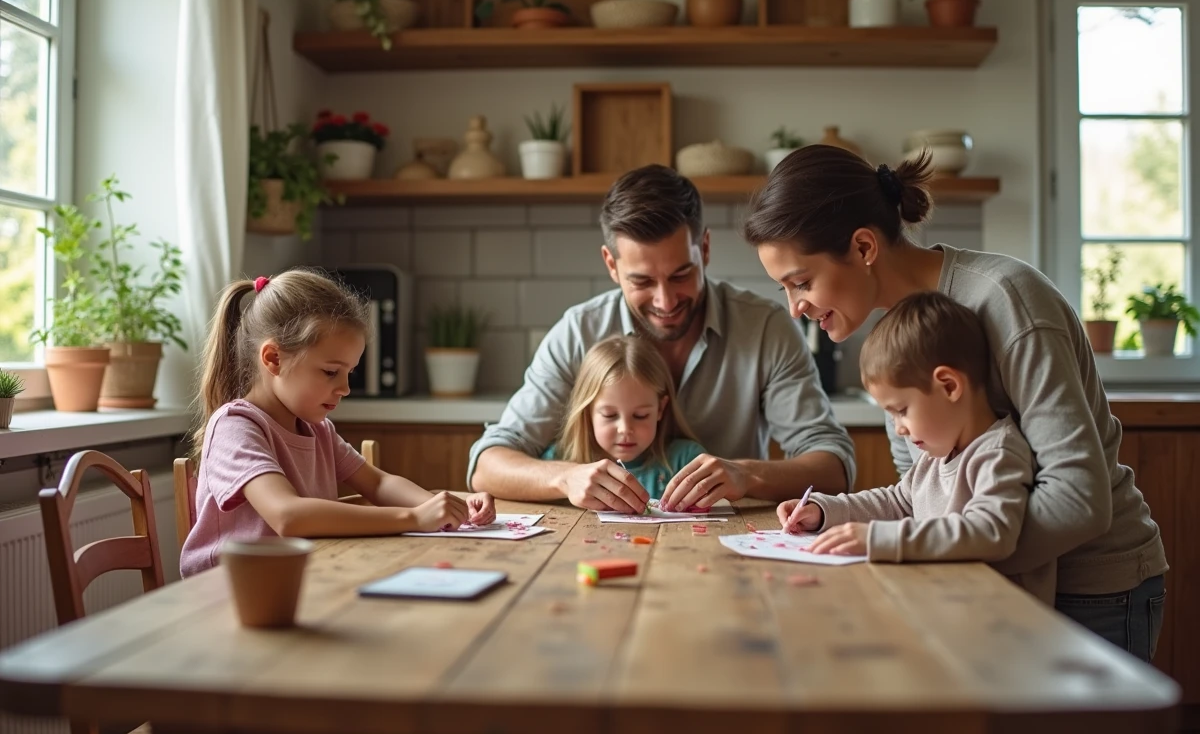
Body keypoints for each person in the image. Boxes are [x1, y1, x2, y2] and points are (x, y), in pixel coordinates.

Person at [742, 144, 1167, 660]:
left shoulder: (1007, 300)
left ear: (863, 247)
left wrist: (946, 556)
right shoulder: (901, 339)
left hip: (1093, 589)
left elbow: (1078, 502)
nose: (795, 308)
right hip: (999, 584)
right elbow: (919, 495)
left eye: (801, 283)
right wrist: (833, 517)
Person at [468, 164, 855, 515]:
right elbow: (487, 465)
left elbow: (834, 467)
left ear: (704, 249)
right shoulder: (578, 332)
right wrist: (564, 478)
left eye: (681, 274)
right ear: (611, 265)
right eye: (642, 281)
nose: (665, 301)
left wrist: (747, 475)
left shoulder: (766, 329)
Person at [180, 269, 495, 577]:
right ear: (274, 359)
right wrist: (413, 517)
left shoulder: (316, 429)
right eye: (331, 372)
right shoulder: (235, 427)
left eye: (349, 373)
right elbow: (288, 515)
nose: (344, 388)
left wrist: (452, 508)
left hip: (301, 581)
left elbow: (378, 483)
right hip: (228, 595)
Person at [777, 291, 1054, 604]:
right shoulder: (936, 456)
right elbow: (897, 502)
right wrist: (824, 510)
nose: (899, 428)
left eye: (902, 410)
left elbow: (990, 531)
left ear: (949, 386)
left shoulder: (998, 453)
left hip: (1000, 621)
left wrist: (878, 539)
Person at [542, 335, 705, 502]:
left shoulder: (687, 461)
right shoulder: (559, 460)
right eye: (609, 415)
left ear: (660, 409)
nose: (625, 429)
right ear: (587, 412)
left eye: (640, 416)